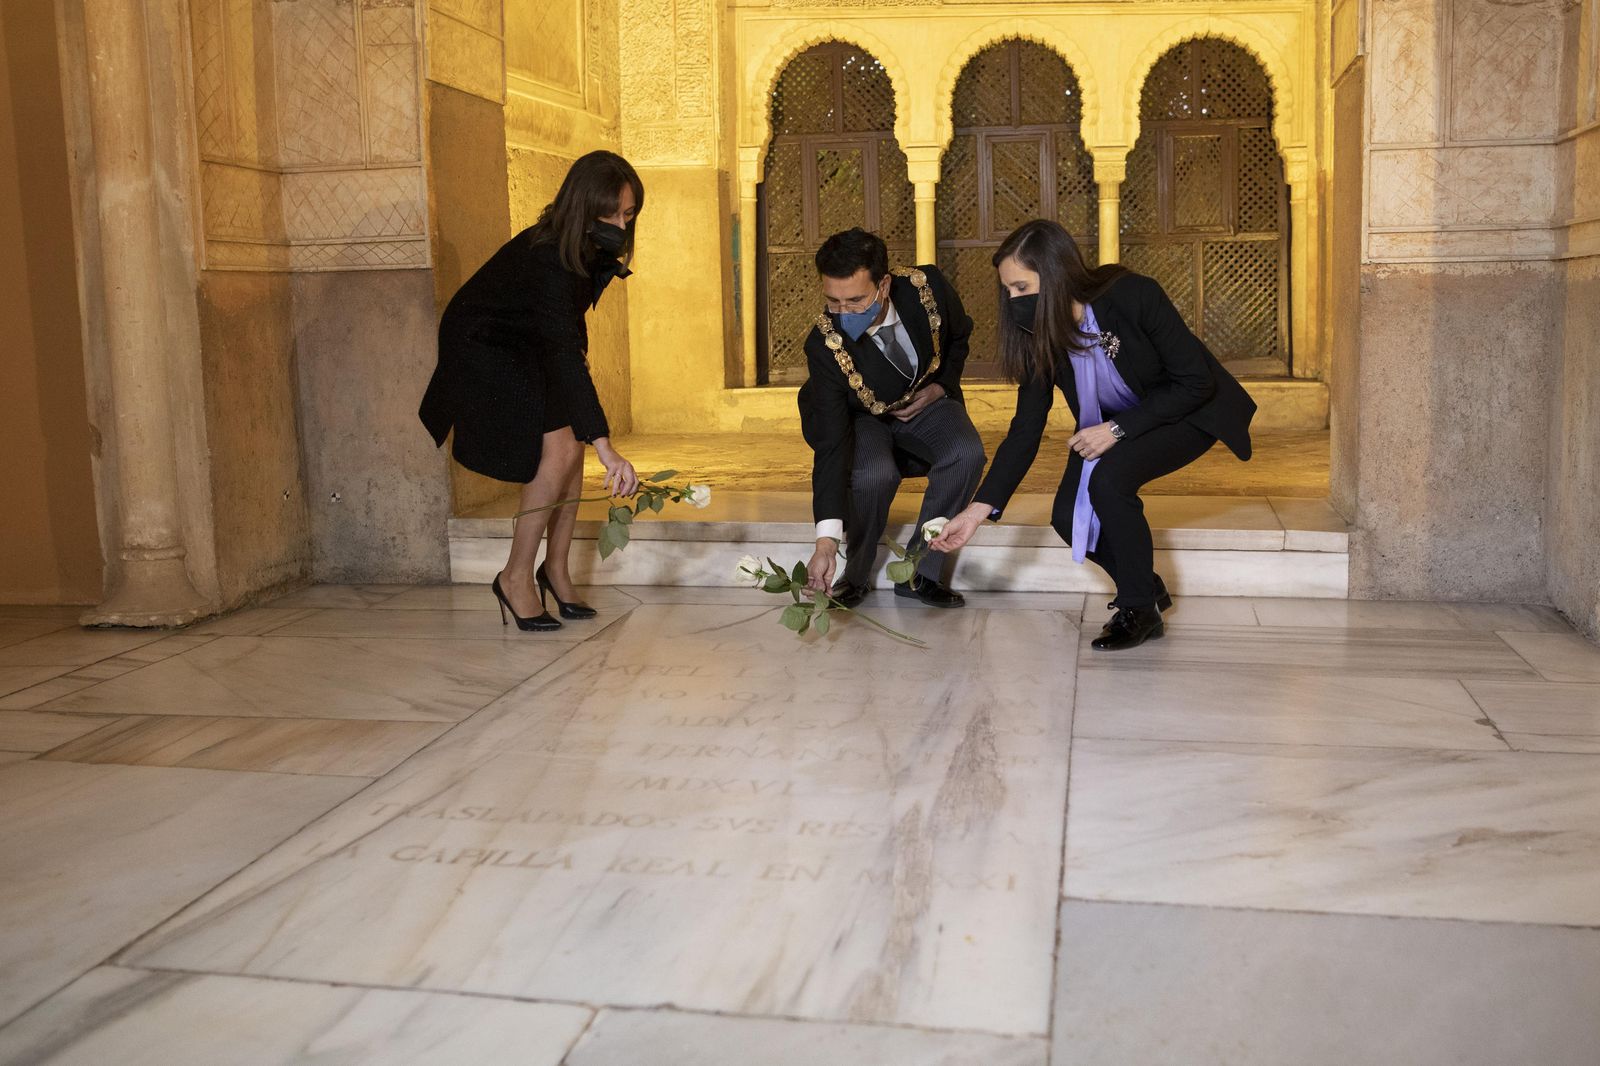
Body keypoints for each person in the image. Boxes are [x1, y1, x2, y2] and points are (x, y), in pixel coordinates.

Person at [930, 219, 1256, 649]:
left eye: (1022, 288)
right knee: (1067, 516)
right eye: (1008, 291)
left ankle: (1139, 611)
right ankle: (1145, 585)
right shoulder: (1037, 337)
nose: (1013, 301)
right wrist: (977, 512)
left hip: (1185, 410)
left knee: (1110, 482)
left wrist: (1119, 430)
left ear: (1057, 274)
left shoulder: (1134, 296)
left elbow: (1195, 382)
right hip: (1108, 423)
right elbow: (1026, 429)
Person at [419, 150, 643, 632]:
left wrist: (593, 437)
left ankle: (554, 569)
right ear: (582, 206)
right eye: (609, 214)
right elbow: (562, 349)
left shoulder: (583, 246)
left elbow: (565, 337)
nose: (620, 225)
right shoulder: (548, 256)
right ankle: (515, 577)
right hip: (484, 344)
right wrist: (607, 444)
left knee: (572, 447)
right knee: (560, 448)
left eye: (627, 214)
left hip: (530, 342)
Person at [797, 229, 986, 609]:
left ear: (883, 285)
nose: (844, 312)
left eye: (855, 300)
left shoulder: (925, 287)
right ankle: (853, 575)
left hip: (925, 400)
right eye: (833, 301)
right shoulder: (824, 344)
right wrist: (825, 543)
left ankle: (920, 572)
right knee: (873, 474)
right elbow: (833, 446)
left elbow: (958, 337)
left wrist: (941, 387)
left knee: (966, 453)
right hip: (860, 416)